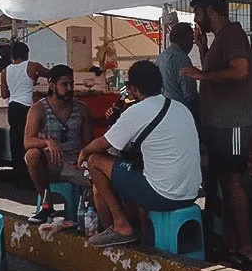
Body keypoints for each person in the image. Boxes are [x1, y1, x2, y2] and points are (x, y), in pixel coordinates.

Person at [78, 60, 202, 247]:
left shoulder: (138, 111)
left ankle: (121, 226)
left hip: (164, 195)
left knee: (95, 161)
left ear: (134, 89)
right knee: (143, 173)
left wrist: (84, 151)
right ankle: (146, 238)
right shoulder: (180, 107)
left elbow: (103, 144)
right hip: (191, 192)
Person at [181, 0, 252, 266]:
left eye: (197, 13)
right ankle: (231, 244)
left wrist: (202, 75)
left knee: (234, 182)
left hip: (234, 123)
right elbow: (217, 72)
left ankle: (246, 247)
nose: (195, 19)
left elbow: (240, 71)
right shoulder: (219, 39)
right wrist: (202, 49)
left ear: (211, 11)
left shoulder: (233, 34)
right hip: (219, 124)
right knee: (224, 183)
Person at [25, 65, 93, 224]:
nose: (69, 88)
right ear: (52, 85)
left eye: (72, 84)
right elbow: (27, 141)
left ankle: (92, 215)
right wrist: (47, 142)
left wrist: (84, 161)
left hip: (74, 164)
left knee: (100, 178)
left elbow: (89, 143)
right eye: (64, 84)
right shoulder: (39, 109)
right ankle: (46, 204)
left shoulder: (82, 109)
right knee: (32, 155)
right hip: (51, 164)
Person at [0, 41, 45, 185]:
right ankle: (30, 176)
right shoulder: (32, 66)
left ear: (12, 56)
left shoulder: (5, 71)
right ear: (26, 54)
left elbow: (4, 94)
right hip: (27, 107)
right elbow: (52, 74)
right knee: (29, 142)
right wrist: (34, 79)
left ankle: (19, 177)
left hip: (12, 108)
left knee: (16, 142)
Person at [157, 22, 198, 113]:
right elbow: (189, 94)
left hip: (163, 109)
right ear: (185, 39)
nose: (192, 44)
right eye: (191, 39)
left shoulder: (161, 57)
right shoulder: (182, 59)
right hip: (181, 111)